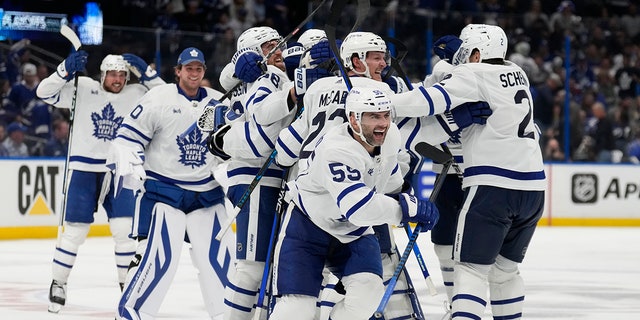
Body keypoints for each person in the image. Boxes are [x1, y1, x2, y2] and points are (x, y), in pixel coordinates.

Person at [392, 24, 546, 319]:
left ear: (475, 53)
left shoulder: (471, 73)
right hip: (533, 188)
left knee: (471, 271)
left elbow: (424, 102)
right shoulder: (517, 72)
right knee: (504, 273)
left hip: (493, 185)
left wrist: (379, 104)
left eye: (465, 50)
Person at [269, 86, 439, 320]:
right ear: (353, 119)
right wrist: (405, 209)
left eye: (386, 115)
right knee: (296, 309)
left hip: (352, 232)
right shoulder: (337, 149)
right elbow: (358, 208)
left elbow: (386, 176)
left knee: (368, 294)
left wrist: (405, 196)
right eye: (373, 116)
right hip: (307, 226)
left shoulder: (391, 136)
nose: (382, 123)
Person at [213, 26, 331, 320]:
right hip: (255, 176)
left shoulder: (270, 74)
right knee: (252, 268)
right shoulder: (250, 76)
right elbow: (237, 79)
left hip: (280, 177)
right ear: (251, 52)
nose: (278, 50)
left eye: (279, 44)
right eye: (270, 46)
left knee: (278, 265)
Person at [36, 49, 165, 313]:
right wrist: (64, 69)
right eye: (113, 74)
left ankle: (126, 288)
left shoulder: (137, 94)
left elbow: (167, 98)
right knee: (74, 232)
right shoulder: (82, 87)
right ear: (103, 74)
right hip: (84, 169)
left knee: (124, 233)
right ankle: (58, 283)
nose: (117, 79)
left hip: (121, 170)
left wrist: (148, 73)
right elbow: (43, 92)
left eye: (122, 75)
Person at [113, 47, 231, 320]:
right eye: (188, 68)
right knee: (154, 260)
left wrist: (229, 170)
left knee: (219, 263)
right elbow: (127, 137)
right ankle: (131, 313)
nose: (193, 72)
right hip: (163, 191)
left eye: (198, 68)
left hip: (205, 194)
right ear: (178, 71)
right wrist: (129, 159)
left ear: (203, 71)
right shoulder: (158, 98)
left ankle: (228, 315)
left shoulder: (218, 102)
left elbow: (234, 143)